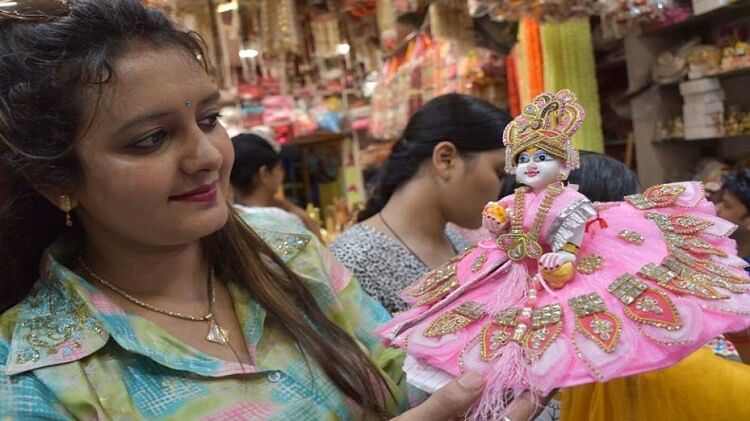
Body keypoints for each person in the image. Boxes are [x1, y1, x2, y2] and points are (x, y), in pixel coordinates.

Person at [0, 2, 545, 419]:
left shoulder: (289, 251)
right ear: (56, 180)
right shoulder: (35, 371)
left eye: (210, 119)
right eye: (150, 140)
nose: (208, 157)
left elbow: (408, 380)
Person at [378, 90, 750, 420]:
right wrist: (498, 226)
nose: (532, 165)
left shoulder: (571, 204)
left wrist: (565, 253)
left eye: (542, 156)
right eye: (523, 158)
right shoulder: (516, 203)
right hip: (520, 279)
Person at [331, 94, 510, 313]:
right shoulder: (353, 260)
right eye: (499, 172)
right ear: (446, 159)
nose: (501, 191)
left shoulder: (456, 241)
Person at [230, 131, 321, 236]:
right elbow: (319, 250)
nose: (282, 173)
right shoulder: (284, 221)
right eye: (279, 168)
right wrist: (302, 216)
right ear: (264, 173)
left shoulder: (231, 219)